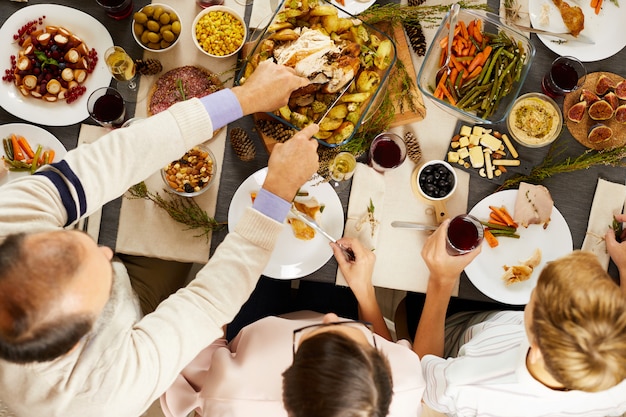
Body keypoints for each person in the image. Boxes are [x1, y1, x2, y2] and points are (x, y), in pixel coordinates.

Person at [0, 60, 320, 417]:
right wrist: (277, 192)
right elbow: (208, 301)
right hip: (135, 327)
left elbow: (112, 158)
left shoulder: (6, 217)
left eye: (79, 244)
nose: (107, 252)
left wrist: (243, 98)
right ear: (78, 343)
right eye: (101, 272)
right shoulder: (107, 393)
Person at [160, 238, 425, 417]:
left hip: (252, 326)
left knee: (256, 241)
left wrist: (230, 283)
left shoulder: (231, 398)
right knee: (331, 246)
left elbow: (205, 340)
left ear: (286, 378)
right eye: (368, 344)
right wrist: (365, 291)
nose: (330, 317)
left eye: (312, 335)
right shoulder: (406, 383)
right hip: (331, 312)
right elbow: (382, 341)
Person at [410, 217, 626, 417]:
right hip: (495, 321)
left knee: (412, 295)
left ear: (537, 349)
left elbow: (417, 382)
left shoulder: (467, 384)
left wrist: (441, 281)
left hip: (451, 338)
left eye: (536, 295)